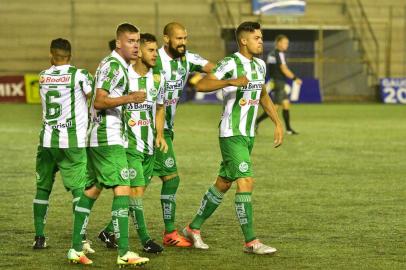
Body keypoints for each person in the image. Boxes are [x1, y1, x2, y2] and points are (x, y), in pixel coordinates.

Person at [183, 21, 283, 255]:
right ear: (244, 41)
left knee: (223, 183)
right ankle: (252, 242)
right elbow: (202, 84)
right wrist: (230, 81)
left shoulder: (259, 65)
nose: (261, 41)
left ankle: (193, 228)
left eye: (261, 37)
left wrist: (277, 122)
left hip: (247, 135)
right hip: (231, 133)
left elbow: (263, 95)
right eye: (257, 38)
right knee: (246, 181)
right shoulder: (230, 63)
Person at [66, 23, 149, 267]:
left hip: (99, 136)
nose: (136, 46)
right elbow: (99, 101)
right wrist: (130, 97)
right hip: (107, 137)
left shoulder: (113, 65)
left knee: (92, 190)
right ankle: (124, 251)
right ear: (119, 43)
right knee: (123, 187)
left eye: (138, 41)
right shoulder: (113, 66)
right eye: (131, 41)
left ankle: (74, 248)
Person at [98, 33, 169, 253]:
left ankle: (108, 231)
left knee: (134, 196)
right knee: (135, 192)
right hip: (128, 146)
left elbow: (159, 108)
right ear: (139, 53)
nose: (155, 54)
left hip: (149, 146)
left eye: (156, 50)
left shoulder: (158, 78)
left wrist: (159, 134)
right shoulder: (124, 75)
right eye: (151, 50)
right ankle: (146, 240)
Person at [33, 38, 94, 253]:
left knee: (43, 188)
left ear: (51, 53)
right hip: (73, 142)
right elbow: (94, 99)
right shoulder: (80, 75)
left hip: (48, 141)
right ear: (70, 54)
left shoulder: (43, 76)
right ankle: (82, 238)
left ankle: (39, 237)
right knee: (79, 189)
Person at [256, 34, 302, 135]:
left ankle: (289, 129)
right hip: (279, 82)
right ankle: (255, 123)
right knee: (274, 108)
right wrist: (295, 78)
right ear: (279, 43)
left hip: (275, 81)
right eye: (285, 43)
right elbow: (283, 69)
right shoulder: (279, 54)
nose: (287, 45)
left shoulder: (271, 54)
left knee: (286, 104)